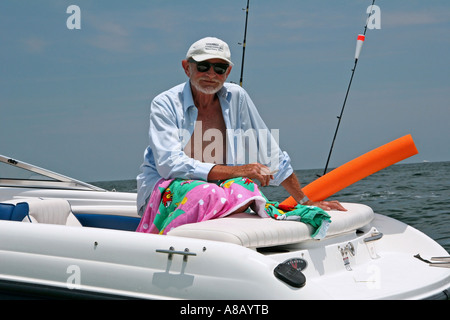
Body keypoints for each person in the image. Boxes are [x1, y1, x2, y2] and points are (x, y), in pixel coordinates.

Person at [136, 37, 345, 234]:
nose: (211, 74)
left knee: (246, 186)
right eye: (203, 66)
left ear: (228, 72)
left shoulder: (237, 97)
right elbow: (169, 165)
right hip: (168, 188)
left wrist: (304, 201)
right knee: (206, 192)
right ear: (186, 67)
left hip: (217, 189)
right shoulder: (164, 103)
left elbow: (268, 150)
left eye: (219, 68)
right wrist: (239, 170)